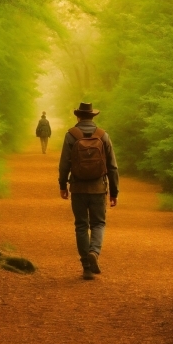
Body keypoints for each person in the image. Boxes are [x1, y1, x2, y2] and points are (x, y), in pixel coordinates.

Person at [58, 102, 119, 280]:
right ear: (93, 117)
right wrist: (114, 192)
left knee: (81, 225)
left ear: (78, 116)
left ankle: (86, 266)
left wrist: (63, 185)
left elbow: (64, 164)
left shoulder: (71, 135)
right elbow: (112, 167)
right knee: (98, 224)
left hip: (77, 188)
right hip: (99, 188)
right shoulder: (103, 135)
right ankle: (94, 252)